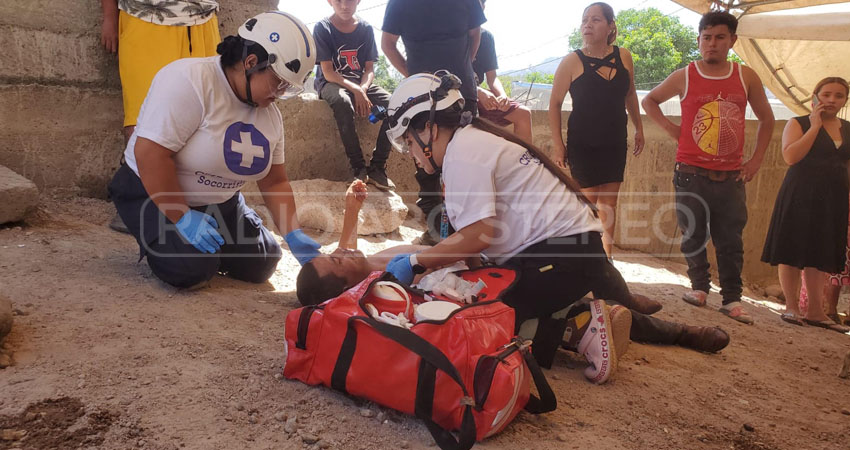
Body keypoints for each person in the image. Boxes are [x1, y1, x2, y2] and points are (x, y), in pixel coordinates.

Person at [367, 71, 665, 383]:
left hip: (562, 260)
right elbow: (474, 242)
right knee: (469, 296)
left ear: (428, 128)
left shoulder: (463, 154)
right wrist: (462, 274)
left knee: (472, 322)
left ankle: (582, 327)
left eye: (408, 143)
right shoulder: (473, 142)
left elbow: (479, 234)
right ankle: (584, 312)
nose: (412, 155)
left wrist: (417, 262)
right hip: (570, 254)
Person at [296, 179, 729, 383]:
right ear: (344, 288)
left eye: (333, 252)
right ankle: (674, 331)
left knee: (589, 258)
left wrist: (351, 212)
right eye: (335, 263)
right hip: (487, 285)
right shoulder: (386, 288)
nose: (340, 252)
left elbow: (347, 250)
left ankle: (620, 306)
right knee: (565, 303)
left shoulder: (364, 263)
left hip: (481, 263)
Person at [107, 12, 323, 289]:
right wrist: (181, 217)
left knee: (263, 262)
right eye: (278, 82)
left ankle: (212, 238)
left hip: (220, 201)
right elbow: (150, 154)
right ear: (251, 62)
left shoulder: (270, 115)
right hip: (150, 188)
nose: (279, 94)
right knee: (192, 269)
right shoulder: (190, 80)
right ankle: (170, 236)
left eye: (286, 88)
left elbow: (274, 181)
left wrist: (293, 233)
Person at [642, 11, 775, 324]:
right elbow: (650, 101)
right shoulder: (685, 75)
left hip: (731, 176)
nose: (712, 44)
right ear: (699, 40)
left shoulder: (746, 76)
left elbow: (767, 119)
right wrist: (673, 130)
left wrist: (755, 160)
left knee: (730, 239)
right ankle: (699, 288)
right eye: (706, 37)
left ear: (732, 40)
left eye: (719, 37)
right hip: (690, 172)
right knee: (693, 234)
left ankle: (731, 298)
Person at [101, 0, 222, 233]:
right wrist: (109, 18)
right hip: (145, 18)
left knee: (205, 114)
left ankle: (188, 206)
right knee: (142, 116)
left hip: (202, 20)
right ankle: (139, 205)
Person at [381, 0, 487, 244]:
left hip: (462, 91)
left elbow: (474, 33)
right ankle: (437, 231)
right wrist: (414, 77)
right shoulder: (398, 3)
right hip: (420, 96)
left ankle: (471, 231)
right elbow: (387, 44)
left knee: (468, 162)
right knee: (426, 164)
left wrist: (462, 69)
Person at [549, 2, 644, 260]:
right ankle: (584, 259)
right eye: (584, 20)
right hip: (583, 143)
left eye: (595, 20)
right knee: (587, 205)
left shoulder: (624, 56)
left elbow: (631, 94)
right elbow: (555, 103)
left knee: (609, 204)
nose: (587, 25)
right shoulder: (572, 61)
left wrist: (639, 128)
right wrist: (558, 144)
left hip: (614, 140)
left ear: (610, 26)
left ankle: (606, 258)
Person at [761, 77, 850, 333]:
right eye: (826, 94)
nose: (832, 100)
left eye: (839, 96)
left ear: (845, 100)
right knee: (791, 248)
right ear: (815, 96)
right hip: (800, 194)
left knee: (820, 252)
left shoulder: (848, 128)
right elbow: (791, 156)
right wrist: (814, 126)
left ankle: (815, 311)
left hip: (833, 198)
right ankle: (791, 307)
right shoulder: (797, 122)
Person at [313, 0, 395, 189]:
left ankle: (377, 167)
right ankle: (358, 167)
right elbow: (328, 72)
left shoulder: (365, 28)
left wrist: (362, 89)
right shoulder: (323, 28)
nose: (344, 5)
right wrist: (356, 90)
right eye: (338, 1)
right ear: (329, 2)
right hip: (332, 83)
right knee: (342, 102)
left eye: (349, 0)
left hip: (360, 82)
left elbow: (369, 69)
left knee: (396, 105)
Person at [471, 0, 532, 143]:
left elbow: (492, 78)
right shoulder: (450, 38)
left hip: (480, 99)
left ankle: (522, 164)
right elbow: (444, 77)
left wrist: (502, 96)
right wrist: (478, 91)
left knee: (523, 114)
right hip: (456, 96)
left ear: (483, 8)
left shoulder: (485, 37)